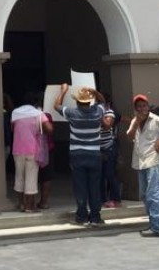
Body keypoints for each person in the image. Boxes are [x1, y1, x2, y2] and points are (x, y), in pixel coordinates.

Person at [54, 83, 109, 226]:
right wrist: (94, 91)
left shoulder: (72, 113)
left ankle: (81, 216)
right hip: (94, 154)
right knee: (94, 187)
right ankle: (95, 217)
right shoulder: (98, 112)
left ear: (77, 101)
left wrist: (63, 91)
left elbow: (56, 105)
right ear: (89, 101)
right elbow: (103, 101)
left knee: (80, 187)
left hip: (77, 154)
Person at [127, 94, 159, 237]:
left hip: (153, 159)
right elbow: (129, 136)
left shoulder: (156, 120)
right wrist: (136, 123)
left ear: (148, 107)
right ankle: (153, 222)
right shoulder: (135, 121)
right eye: (139, 106)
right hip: (139, 160)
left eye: (144, 106)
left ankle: (158, 226)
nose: (142, 109)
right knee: (144, 194)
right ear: (136, 109)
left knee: (153, 193)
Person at [11, 91, 53, 212]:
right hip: (33, 150)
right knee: (31, 178)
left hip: (17, 150)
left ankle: (21, 204)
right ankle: (30, 206)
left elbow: (13, 129)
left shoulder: (15, 112)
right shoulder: (38, 113)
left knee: (19, 177)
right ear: (37, 102)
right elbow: (49, 129)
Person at [99, 91, 122, 207]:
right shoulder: (92, 112)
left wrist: (99, 114)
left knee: (110, 174)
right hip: (97, 148)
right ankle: (103, 199)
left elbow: (107, 125)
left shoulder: (109, 112)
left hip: (109, 147)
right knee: (100, 175)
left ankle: (116, 199)